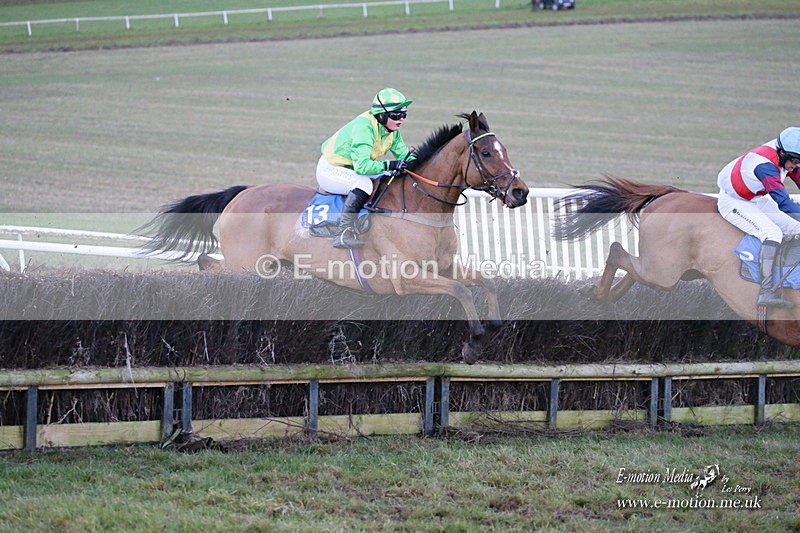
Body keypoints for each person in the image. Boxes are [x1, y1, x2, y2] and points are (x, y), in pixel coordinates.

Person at [316, 88, 414, 249]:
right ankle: (343, 233)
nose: (401, 119)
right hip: (331, 169)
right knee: (364, 184)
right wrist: (390, 165)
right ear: (381, 115)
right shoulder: (364, 127)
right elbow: (362, 167)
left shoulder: (392, 131)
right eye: (396, 115)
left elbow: (405, 156)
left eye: (404, 114)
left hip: (352, 169)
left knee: (386, 178)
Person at [717, 127, 800, 308]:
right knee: (772, 233)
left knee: (797, 228)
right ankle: (766, 292)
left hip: (756, 198)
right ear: (782, 153)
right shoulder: (765, 166)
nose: (796, 166)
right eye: (795, 161)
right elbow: (784, 203)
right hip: (734, 201)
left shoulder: (788, 157)